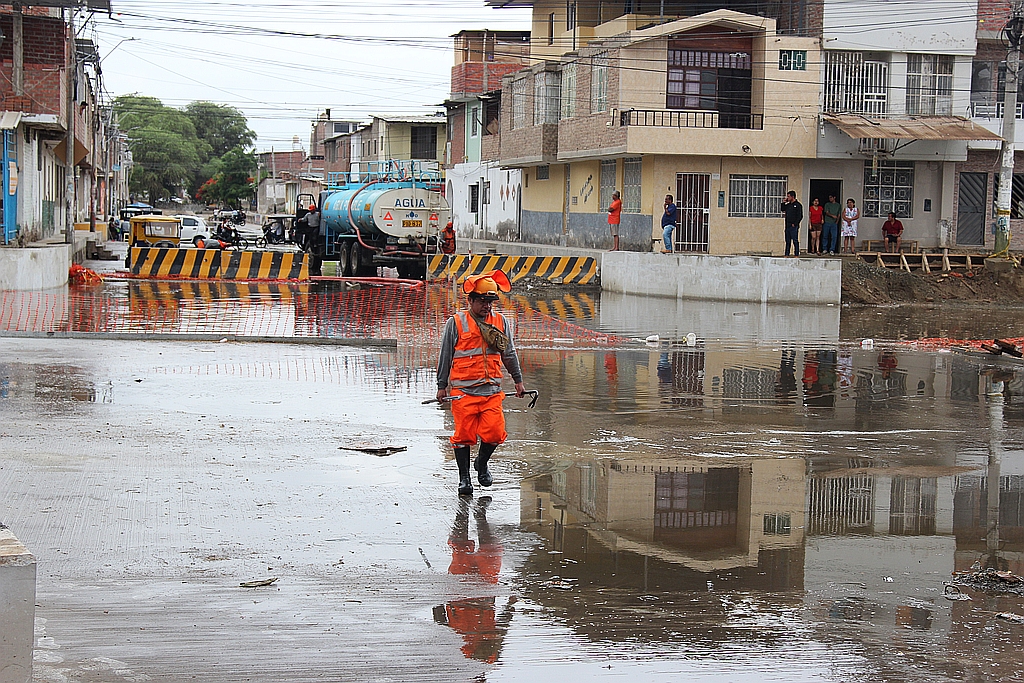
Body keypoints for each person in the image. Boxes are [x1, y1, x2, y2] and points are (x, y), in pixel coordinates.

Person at [436, 270, 526, 496]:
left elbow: (509, 353)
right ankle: (464, 479)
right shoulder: (456, 323)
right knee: (463, 436)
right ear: (471, 301)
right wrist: (441, 385)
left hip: (492, 392)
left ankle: (481, 464)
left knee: (495, 433)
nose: (487, 306)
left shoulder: (500, 321)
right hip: (463, 392)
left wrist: (518, 380)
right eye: (483, 301)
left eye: (491, 301)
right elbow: (445, 355)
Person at [781, 190, 803, 257]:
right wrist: (784, 202)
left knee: (795, 240)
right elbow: (782, 209)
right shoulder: (788, 205)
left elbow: (800, 216)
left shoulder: (798, 205)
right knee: (788, 241)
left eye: (788, 196)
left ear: (792, 197)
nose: (787, 198)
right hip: (787, 225)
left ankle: (796, 254)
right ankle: (786, 253)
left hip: (793, 226)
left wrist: (795, 223)